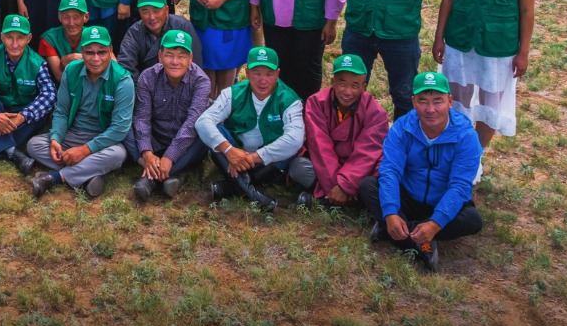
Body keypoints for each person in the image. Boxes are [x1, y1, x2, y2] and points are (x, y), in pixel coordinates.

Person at [433, 0, 541, 158]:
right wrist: (439, 38)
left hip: (498, 45)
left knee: (490, 102)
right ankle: (455, 151)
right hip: (459, 40)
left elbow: (527, 12)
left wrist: (523, 52)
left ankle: (475, 156)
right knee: (457, 99)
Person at [360, 71, 483, 271]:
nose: (430, 109)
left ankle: (393, 231)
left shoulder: (466, 136)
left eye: (438, 101)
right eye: (423, 101)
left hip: (441, 199)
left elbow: (459, 186)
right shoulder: (402, 127)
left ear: (450, 101)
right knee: (368, 186)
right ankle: (419, 243)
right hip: (408, 197)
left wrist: (435, 222)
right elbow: (390, 171)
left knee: (472, 220)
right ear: (413, 102)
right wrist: (391, 212)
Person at [195, 46, 314, 212]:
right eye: (257, 73)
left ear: (278, 73)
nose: (262, 80)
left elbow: (295, 139)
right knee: (216, 133)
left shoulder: (289, 100)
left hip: (269, 161)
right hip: (235, 155)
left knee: (290, 147)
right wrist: (229, 150)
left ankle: (233, 185)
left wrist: (253, 158)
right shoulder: (232, 93)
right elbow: (202, 122)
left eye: (269, 74)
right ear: (247, 72)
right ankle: (255, 196)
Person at [28, 26, 134, 199]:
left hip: (103, 139)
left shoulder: (123, 80)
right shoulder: (71, 70)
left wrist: (84, 150)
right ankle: (89, 175)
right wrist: (56, 138)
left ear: (110, 51)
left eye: (102, 52)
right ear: (81, 52)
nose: (96, 58)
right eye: (89, 52)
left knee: (118, 155)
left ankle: (54, 178)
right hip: (73, 134)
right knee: (34, 145)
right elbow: (62, 110)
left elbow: (119, 129)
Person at [0, 14, 57, 174]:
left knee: (41, 112)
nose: (14, 44)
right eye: (9, 37)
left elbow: (49, 95)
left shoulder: (38, 63)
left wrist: (22, 117)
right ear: (1, 37)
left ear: (29, 38)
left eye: (20, 38)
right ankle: (13, 153)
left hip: (22, 116)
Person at [131, 28, 213, 201]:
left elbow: (192, 124)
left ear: (190, 59)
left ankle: (150, 178)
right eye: (169, 55)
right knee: (126, 130)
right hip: (156, 139)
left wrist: (170, 156)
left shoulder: (201, 81)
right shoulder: (147, 77)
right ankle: (173, 174)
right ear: (160, 56)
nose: (175, 61)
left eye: (182, 56)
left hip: (186, 144)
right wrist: (147, 152)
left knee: (206, 130)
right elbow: (142, 118)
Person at [301, 54, 389, 209]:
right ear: (333, 82)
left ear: (364, 87)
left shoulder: (376, 112)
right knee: (299, 167)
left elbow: (367, 153)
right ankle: (347, 197)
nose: (347, 92)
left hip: (358, 170)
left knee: (382, 171)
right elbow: (320, 147)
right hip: (326, 169)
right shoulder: (316, 102)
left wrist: (345, 184)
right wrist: (337, 185)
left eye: (355, 85)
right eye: (342, 83)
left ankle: (330, 196)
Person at [117, 0, 204, 74]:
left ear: (166, 10)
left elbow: (196, 65)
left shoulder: (182, 26)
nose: (152, 17)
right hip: (145, 84)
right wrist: (142, 86)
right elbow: (125, 67)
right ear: (139, 12)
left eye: (156, 11)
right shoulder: (134, 32)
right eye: (145, 11)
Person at [36, 0, 89, 82]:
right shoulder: (49, 38)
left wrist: (82, 57)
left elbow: (112, 64)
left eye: (76, 17)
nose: (71, 23)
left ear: (86, 17)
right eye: (66, 17)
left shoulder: (95, 35)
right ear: (59, 17)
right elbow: (60, 77)